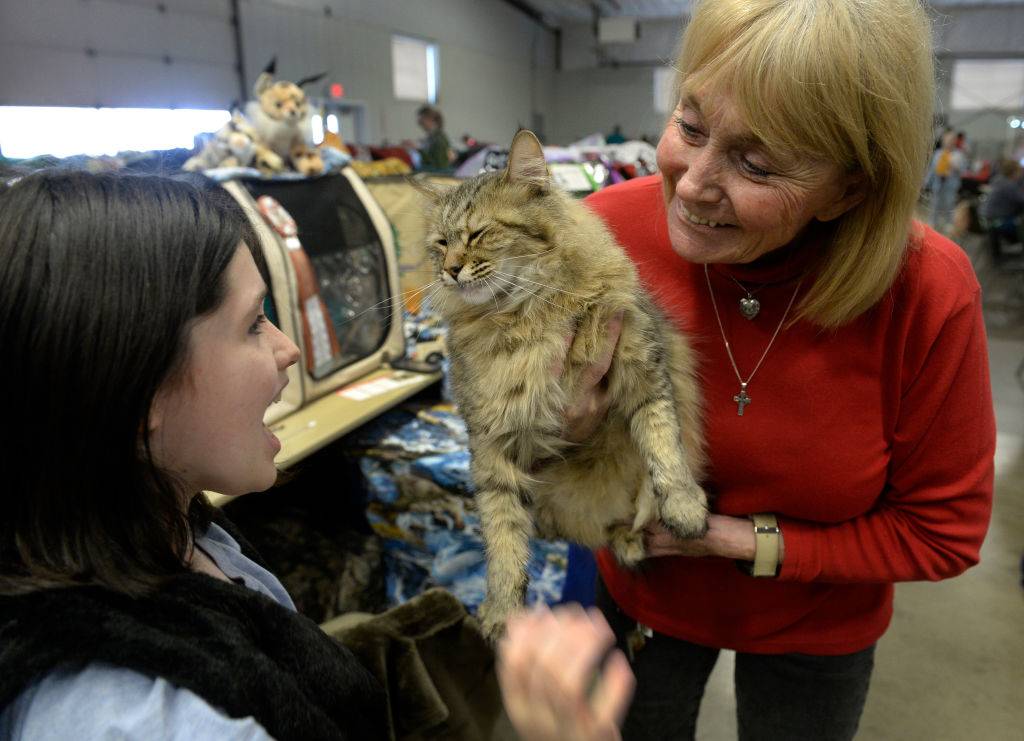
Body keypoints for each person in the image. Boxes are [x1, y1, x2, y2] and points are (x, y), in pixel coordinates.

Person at [0, 171, 634, 741]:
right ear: (138, 392)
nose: (289, 349)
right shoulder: (142, 718)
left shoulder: (174, 528)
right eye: (254, 323)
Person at [550, 1, 994, 739]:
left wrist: (736, 540)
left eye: (756, 165)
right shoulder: (600, 235)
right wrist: (557, 436)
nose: (691, 185)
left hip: (818, 626)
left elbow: (942, 532)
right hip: (645, 601)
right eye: (691, 127)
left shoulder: (927, 293)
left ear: (849, 189)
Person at [980, 158, 1024, 260]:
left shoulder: (998, 180)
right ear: (1014, 172)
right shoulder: (1008, 185)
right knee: (1021, 225)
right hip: (996, 222)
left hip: (985, 219)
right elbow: (1021, 200)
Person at [927, 129, 967, 233]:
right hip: (938, 184)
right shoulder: (938, 153)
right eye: (947, 140)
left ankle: (949, 223)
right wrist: (927, 182)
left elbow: (963, 170)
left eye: (951, 140)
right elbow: (932, 169)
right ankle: (932, 222)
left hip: (950, 185)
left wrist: (954, 165)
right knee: (934, 204)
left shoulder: (958, 155)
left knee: (949, 204)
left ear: (954, 141)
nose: (948, 142)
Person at [415, 104, 454, 171]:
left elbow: (438, 164)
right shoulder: (431, 137)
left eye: (422, 122)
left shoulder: (439, 139)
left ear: (430, 119)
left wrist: (418, 149)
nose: (421, 125)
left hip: (437, 173)